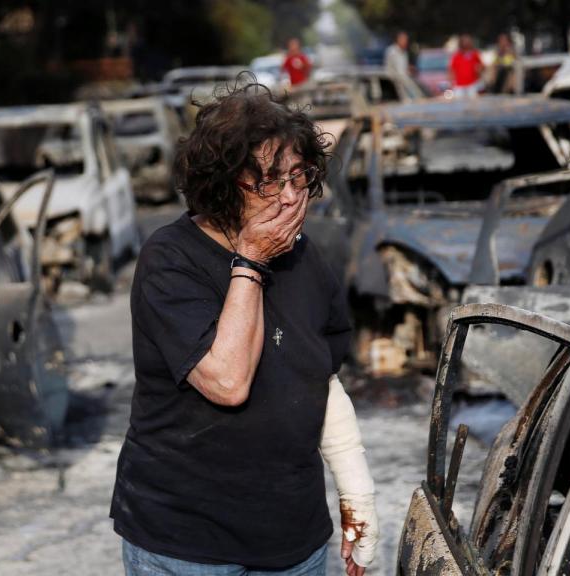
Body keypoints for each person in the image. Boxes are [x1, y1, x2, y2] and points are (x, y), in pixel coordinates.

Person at [111, 82, 379, 576]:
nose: (292, 197)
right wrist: (251, 259)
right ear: (221, 183)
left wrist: (357, 499)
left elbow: (320, 381)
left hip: (293, 540)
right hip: (187, 544)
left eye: (299, 177)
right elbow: (227, 382)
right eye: (270, 181)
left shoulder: (304, 259)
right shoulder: (170, 261)